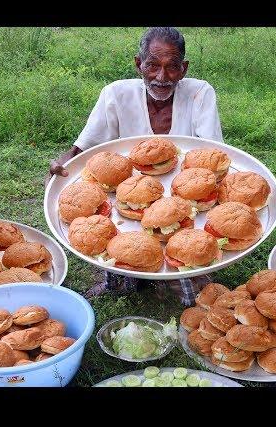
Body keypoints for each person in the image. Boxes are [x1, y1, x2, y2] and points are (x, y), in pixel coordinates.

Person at [46, 27, 223, 306]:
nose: (162, 77)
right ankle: (123, 278)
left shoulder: (200, 93)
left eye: (172, 67)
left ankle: (186, 280)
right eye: (152, 65)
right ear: (139, 63)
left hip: (184, 197)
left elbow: (212, 154)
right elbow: (82, 149)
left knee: (187, 253)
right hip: (126, 191)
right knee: (117, 240)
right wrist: (62, 165)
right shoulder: (115, 94)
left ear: (184, 68)